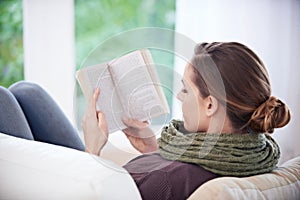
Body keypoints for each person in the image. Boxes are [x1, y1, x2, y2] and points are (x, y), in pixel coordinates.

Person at [0, 42, 291, 200]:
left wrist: (92, 152)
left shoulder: (169, 180)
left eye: (186, 89)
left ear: (211, 104)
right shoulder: (252, 152)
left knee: (3, 98)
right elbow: (187, 173)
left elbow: (98, 191)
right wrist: (152, 149)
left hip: (77, 185)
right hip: (92, 174)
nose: (179, 96)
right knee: (28, 91)